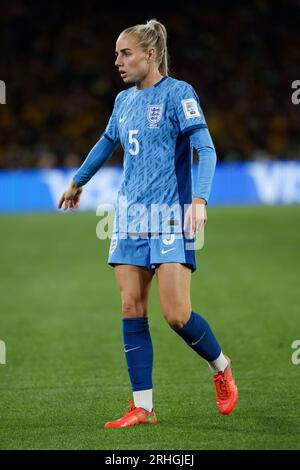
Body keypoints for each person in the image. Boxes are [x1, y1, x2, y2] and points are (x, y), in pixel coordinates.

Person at [58, 19, 238, 428]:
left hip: (171, 215)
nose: (118, 62)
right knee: (130, 308)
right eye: (117, 55)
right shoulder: (123, 102)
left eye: (126, 53)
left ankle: (220, 366)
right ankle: (144, 407)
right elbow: (107, 142)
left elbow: (205, 148)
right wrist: (77, 182)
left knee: (176, 314)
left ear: (150, 54)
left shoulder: (179, 94)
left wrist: (199, 199)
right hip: (129, 217)